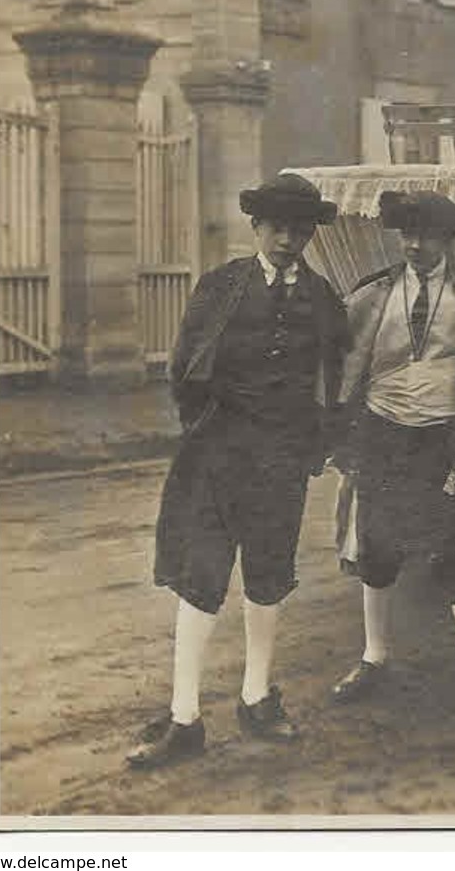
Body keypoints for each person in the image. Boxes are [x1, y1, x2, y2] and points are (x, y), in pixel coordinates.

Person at [127, 176, 348, 769]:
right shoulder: (221, 287)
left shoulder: (324, 300)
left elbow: (337, 377)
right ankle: (184, 717)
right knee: (200, 579)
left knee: (269, 576)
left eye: (299, 228)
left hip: (281, 462)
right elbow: (182, 370)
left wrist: (315, 444)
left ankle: (257, 698)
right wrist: (207, 433)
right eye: (276, 225)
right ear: (256, 227)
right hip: (217, 457)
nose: (286, 237)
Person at [328, 191, 455, 714]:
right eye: (407, 234)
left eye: (428, 234)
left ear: (448, 239)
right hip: (382, 436)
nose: (415, 244)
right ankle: (373, 657)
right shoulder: (370, 298)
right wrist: (347, 441)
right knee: (376, 548)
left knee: (453, 554)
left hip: (442, 437)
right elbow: (345, 373)